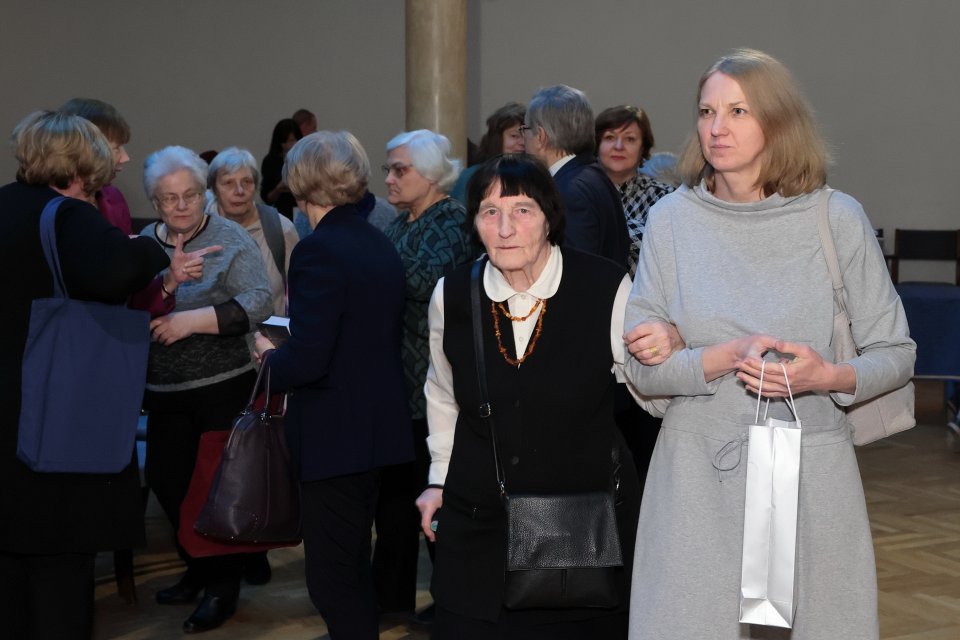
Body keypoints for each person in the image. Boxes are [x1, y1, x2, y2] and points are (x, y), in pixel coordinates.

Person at [622, 49, 916, 640]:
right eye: (706, 111)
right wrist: (722, 356)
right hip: (696, 478)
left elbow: (898, 353)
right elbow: (642, 372)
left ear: (778, 122)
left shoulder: (836, 219)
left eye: (738, 111)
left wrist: (824, 378)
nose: (716, 127)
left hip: (809, 471)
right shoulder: (671, 222)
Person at [414, 154, 678, 639]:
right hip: (479, 522)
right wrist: (437, 481)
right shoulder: (452, 295)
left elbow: (652, 395)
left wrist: (670, 346)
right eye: (490, 212)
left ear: (549, 218)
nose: (506, 227)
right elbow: (444, 396)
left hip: (576, 526)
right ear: (475, 223)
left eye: (522, 210)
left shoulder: (603, 287)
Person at [0, 110, 169, 640]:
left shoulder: (5, 204)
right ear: (81, 162)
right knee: (59, 570)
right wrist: (153, 246)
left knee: (9, 569)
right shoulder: (69, 217)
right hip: (52, 412)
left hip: (8, 413)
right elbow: (118, 270)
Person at [253, 131, 412, 639]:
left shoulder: (320, 250)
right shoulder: (376, 239)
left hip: (336, 435)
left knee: (331, 578)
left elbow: (310, 359)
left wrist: (269, 357)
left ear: (301, 183)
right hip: (375, 429)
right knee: (351, 562)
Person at [141, 146, 272, 634]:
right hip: (164, 389)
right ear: (154, 202)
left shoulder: (229, 237)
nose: (180, 206)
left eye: (190, 195)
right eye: (169, 198)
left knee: (216, 494)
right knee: (166, 481)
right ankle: (198, 569)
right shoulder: (143, 246)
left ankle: (222, 586)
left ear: (204, 194)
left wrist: (194, 321)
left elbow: (259, 300)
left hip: (221, 386)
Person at [377, 129, 477, 620]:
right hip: (401, 382)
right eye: (388, 169)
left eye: (401, 169)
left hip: (435, 384)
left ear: (432, 174)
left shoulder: (452, 222)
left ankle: (454, 601)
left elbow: (420, 283)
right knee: (398, 501)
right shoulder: (401, 223)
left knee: (438, 500)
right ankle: (391, 600)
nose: (390, 178)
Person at [522, 85, 629, 268]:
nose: (523, 139)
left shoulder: (569, 191)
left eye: (525, 129)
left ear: (540, 136)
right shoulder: (594, 175)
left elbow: (576, 271)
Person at [208, 147, 299, 316]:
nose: (240, 191)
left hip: (269, 338)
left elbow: (299, 293)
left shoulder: (281, 229)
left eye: (247, 182)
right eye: (228, 183)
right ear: (214, 189)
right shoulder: (200, 231)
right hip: (212, 340)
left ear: (256, 186)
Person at [594, 105, 675, 278]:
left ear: (643, 148)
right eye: (609, 137)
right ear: (597, 144)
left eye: (629, 139)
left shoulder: (665, 198)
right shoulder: (578, 193)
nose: (618, 146)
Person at [59, 97, 134, 234]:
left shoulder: (114, 197)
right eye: (117, 148)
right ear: (86, 150)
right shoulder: (50, 208)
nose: (126, 158)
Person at [449, 101, 526, 204]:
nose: (522, 142)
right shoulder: (471, 177)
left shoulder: (537, 177)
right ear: (497, 139)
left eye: (526, 136)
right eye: (514, 136)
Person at [260, 118, 302, 219]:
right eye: (285, 142)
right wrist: (278, 189)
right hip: (281, 213)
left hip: (302, 211)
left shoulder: (305, 158)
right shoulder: (270, 161)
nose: (290, 145)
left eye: (293, 140)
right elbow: (267, 197)